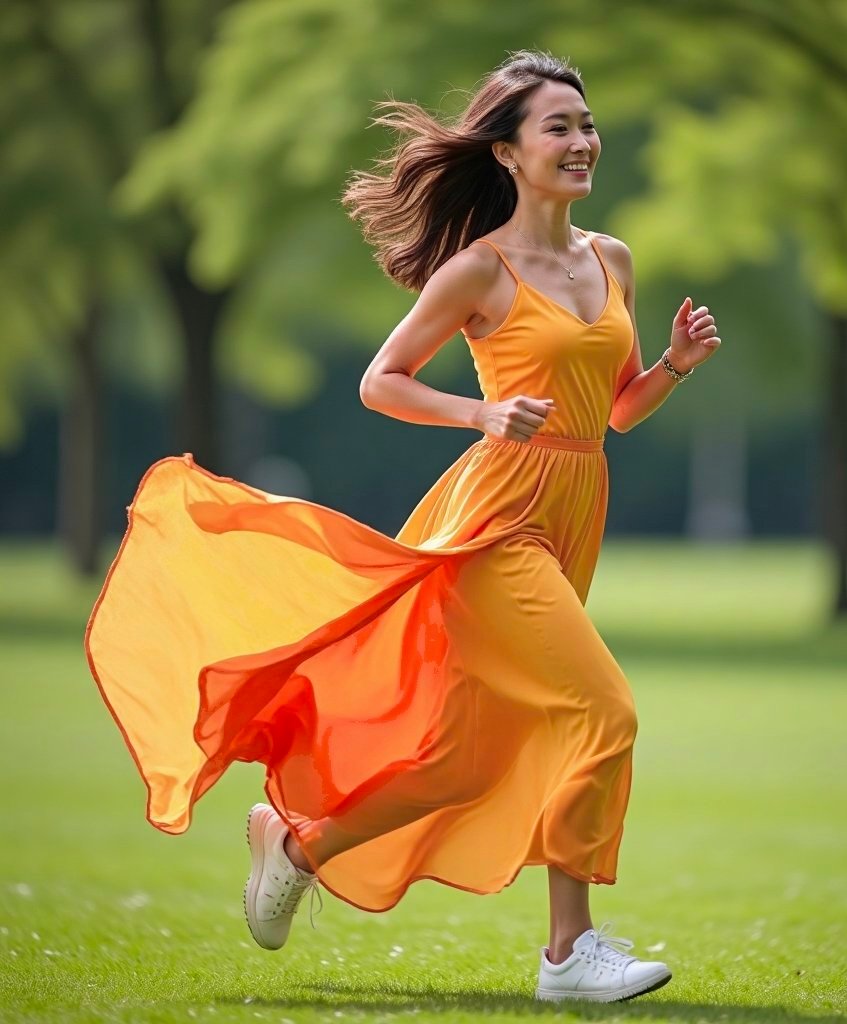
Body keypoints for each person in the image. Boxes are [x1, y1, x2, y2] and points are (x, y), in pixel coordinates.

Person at [84, 49, 721, 1004]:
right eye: (559, 127)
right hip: (498, 519)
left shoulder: (611, 259)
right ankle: (569, 956)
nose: (583, 141)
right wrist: (479, 414)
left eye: (587, 126)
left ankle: (296, 842)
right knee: (604, 711)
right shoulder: (480, 270)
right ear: (507, 152)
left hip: (576, 504)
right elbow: (380, 381)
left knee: (464, 759)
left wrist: (669, 365)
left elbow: (616, 412)